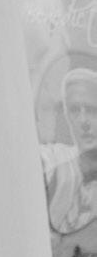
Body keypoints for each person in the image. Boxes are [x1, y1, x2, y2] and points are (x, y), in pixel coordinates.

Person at [40, 66, 97, 237]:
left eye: (92, 110)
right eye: (75, 110)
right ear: (66, 115)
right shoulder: (55, 159)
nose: (83, 121)